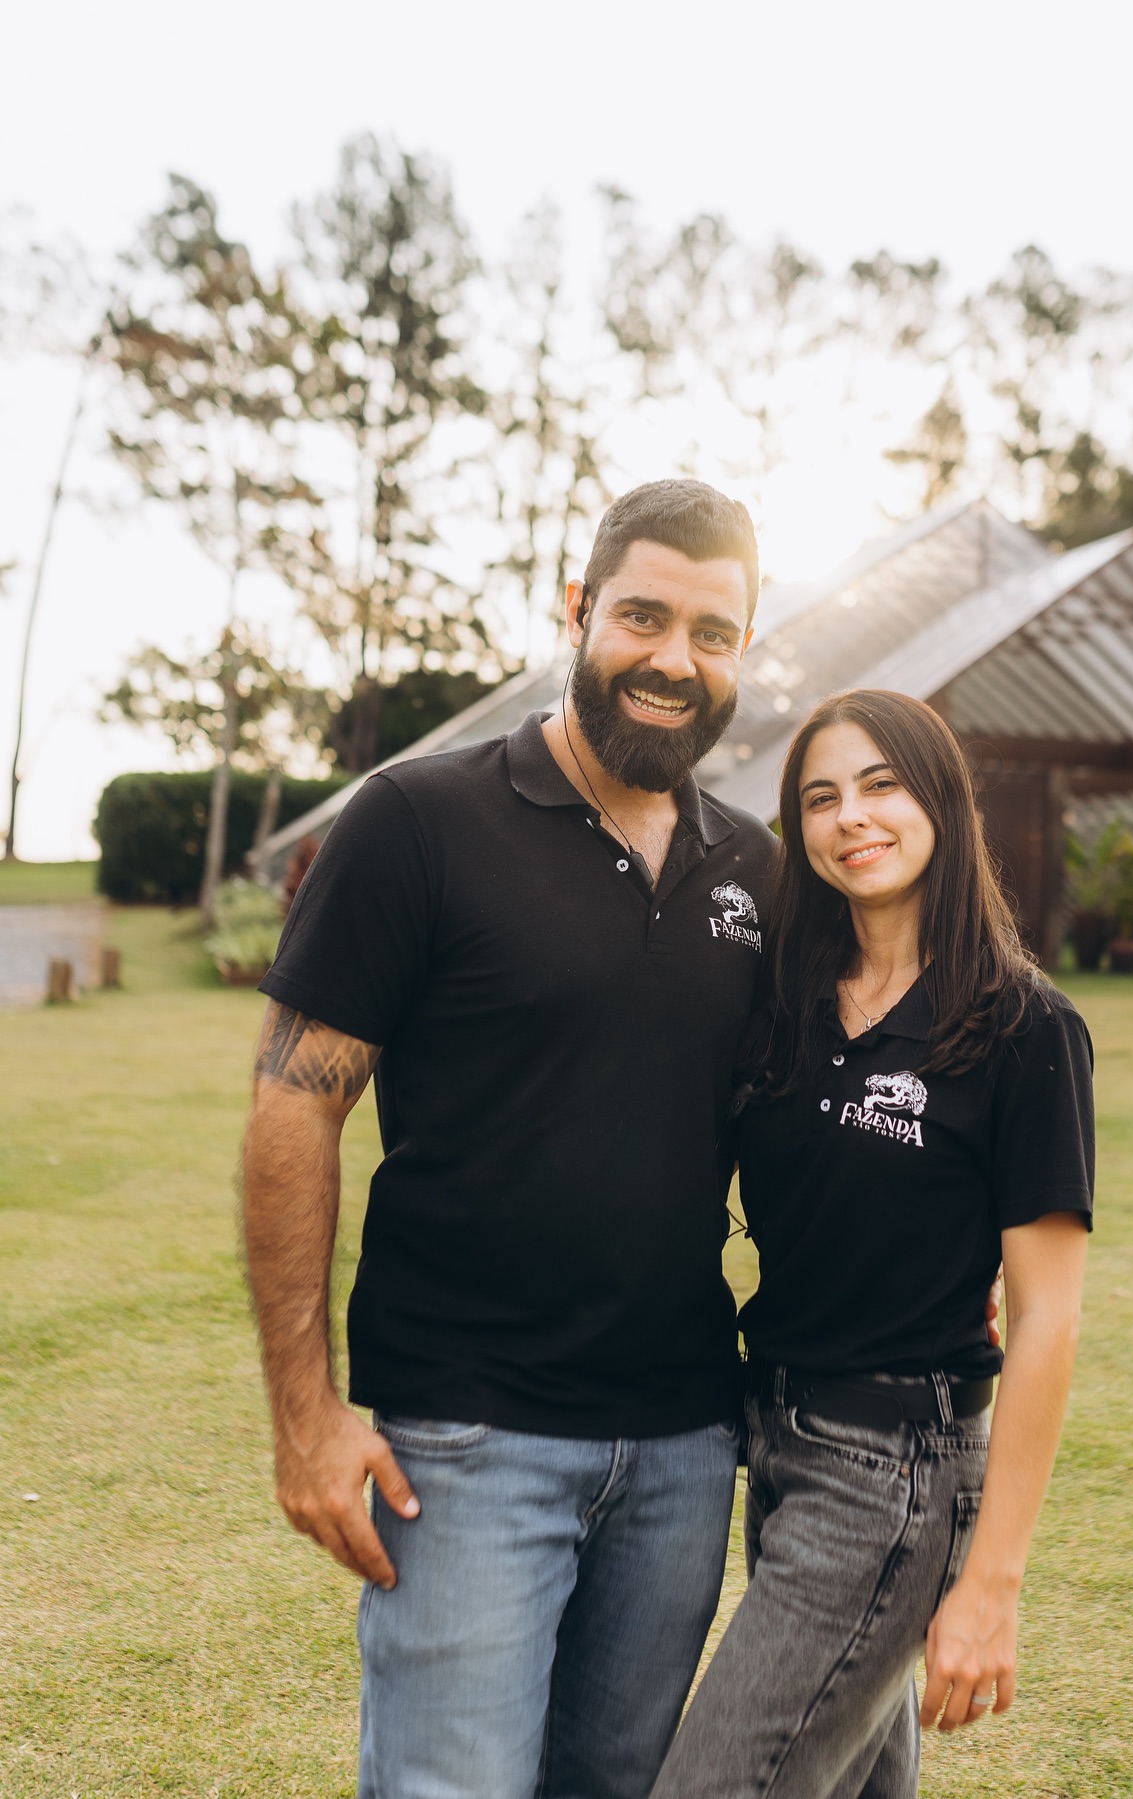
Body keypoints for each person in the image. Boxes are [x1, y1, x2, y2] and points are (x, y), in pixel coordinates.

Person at [240, 479, 779, 1799]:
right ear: (579, 609)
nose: (672, 657)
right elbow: (294, 1099)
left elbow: (813, 1126)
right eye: (643, 615)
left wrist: (963, 1258)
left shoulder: (758, 871)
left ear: (742, 653)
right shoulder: (420, 820)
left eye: (713, 632)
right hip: (466, 1447)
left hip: (682, 1447)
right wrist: (305, 1412)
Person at [652, 688, 1094, 1799]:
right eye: (820, 796)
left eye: (881, 783)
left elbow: (1047, 1314)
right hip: (780, 1441)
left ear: (941, 798)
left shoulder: (1022, 1027)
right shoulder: (788, 1006)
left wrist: (992, 1579)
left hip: (897, 1469)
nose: (852, 816)